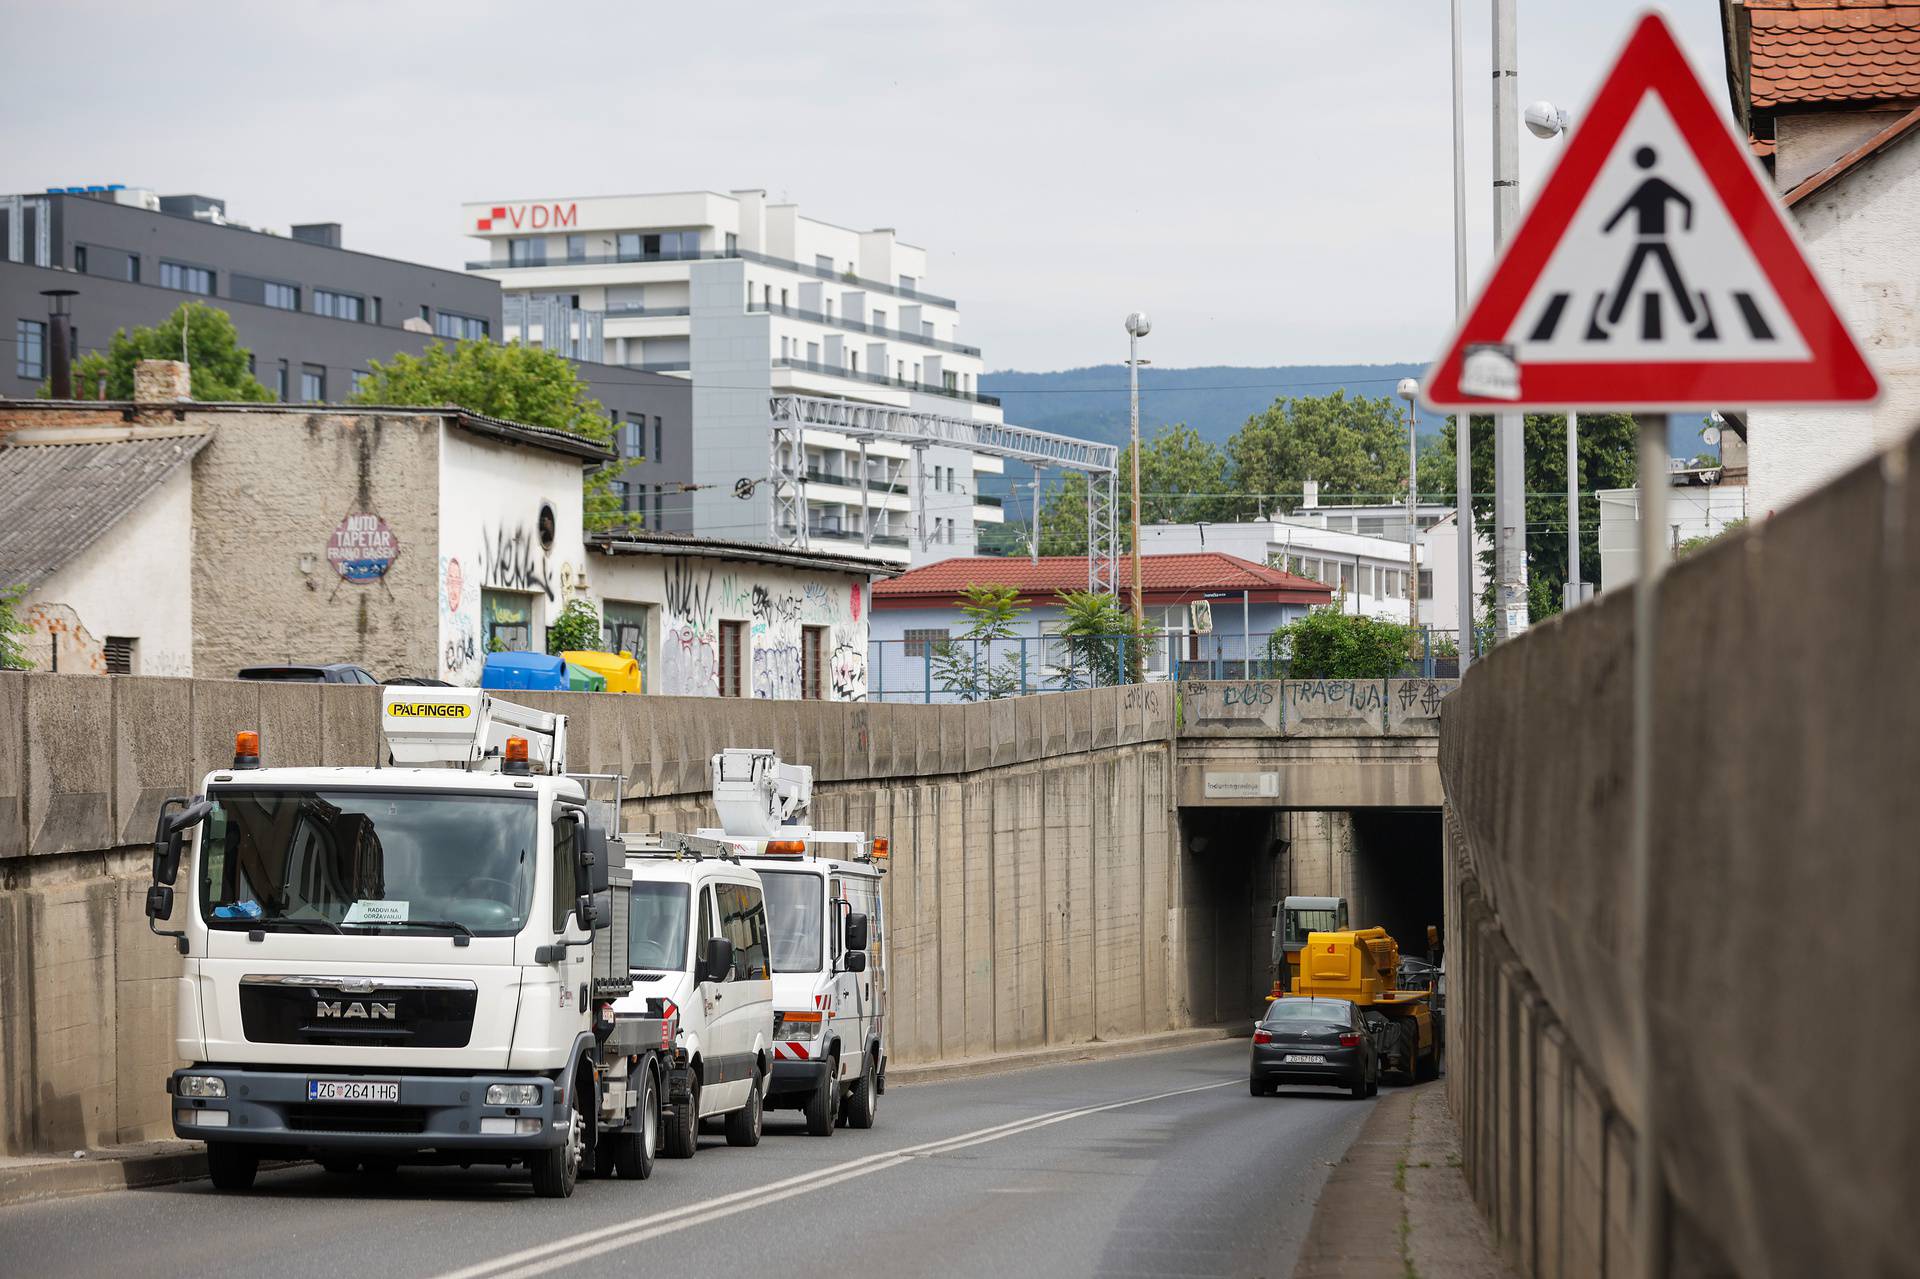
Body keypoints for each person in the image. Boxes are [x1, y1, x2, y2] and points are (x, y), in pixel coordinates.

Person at [1601, 146, 1698, 328]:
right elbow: (1625, 208)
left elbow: (1624, 209)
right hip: (1650, 240)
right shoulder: (1652, 185)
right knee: (1658, 277)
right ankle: (1690, 316)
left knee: (1635, 277)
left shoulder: (1650, 185)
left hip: (1653, 239)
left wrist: (1687, 227)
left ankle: (1613, 317)